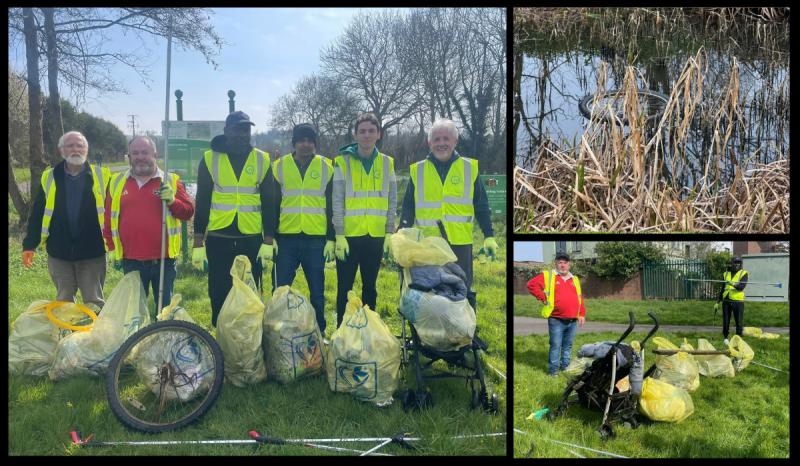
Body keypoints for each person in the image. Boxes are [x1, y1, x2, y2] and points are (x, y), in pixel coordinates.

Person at [399, 118, 497, 305]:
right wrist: (400, 234)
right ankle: (430, 333)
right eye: (436, 139)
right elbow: (408, 208)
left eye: (446, 138)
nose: (441, 143)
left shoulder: (469, 168)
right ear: (429, 143)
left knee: (461, 288)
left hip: (459, 243)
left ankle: (462, 331)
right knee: (429, 291)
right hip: (428, 244)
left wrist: (489, 235)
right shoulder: (418, 171)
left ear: (455, 141)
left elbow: (481, 206)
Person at [191, 111, 274, 327]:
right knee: (219, 290)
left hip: (251, 237)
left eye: (246, 130)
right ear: (227, 131)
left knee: (250, 291)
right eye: (237, 129)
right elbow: (202, 199)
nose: (242, 135)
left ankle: (248, 339)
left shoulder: (262, 159)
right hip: (220, 236)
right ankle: (221, 338)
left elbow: (270, 201)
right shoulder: (210, 159)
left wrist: (268, 240)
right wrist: (198, 241)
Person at [103, 135, 195, 316]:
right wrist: (111, 247)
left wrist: (172, 201)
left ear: (155, 154)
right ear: (129, 157)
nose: (140, 157)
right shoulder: (116, 182)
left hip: (163, 260)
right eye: (135, 153)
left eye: (144, 152)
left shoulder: (170, 180)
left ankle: (164, 340)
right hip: (131, 260)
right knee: (135, 312)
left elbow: (188, 212)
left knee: (164, 310)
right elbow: (109, 218)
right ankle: (138, 343)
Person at [22, 131, 111, 310]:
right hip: (59, 252)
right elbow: (38, 213)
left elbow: (116, 212)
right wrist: (29, 244)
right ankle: (68, 337)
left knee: (94, 303)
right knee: (63, 302)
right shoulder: (50, 177)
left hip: (92, 251)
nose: (75, 149)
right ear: (61, 150)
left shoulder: (103, 176)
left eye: (80, 145)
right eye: (70, 145)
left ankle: (94, 337)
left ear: (86, 150)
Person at [266, 123, 334, 334]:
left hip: (315, 239)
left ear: (315, 143)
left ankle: (319, 332)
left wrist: (331, 238)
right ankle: (276, 332)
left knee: (317, 291)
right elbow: (271, 203)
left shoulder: (327, 167)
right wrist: (270, 236)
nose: (306, 145)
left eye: (310, 141)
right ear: (294, 143)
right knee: (280, 288)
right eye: (301, 140)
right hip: (286, 238)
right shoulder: (279, 166)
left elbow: (332, 204)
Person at [332, 113, 397, 328]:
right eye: (362, 131)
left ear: (378, 134)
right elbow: (337, 200)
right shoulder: (343, 162)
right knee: (344, 288)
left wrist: (389, 232)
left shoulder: (388, 163)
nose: (367, 135)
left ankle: (370, 331)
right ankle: (342, 331)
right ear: (355, 134)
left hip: (375, 237)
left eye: (371, 131)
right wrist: (338, 234)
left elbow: (392, 200)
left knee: (370, 287)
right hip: (349, 238)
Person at [527, 252, 586, 376]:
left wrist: (581, 314)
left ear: (569, 264)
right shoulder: (548, 276)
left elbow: (580, 297)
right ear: (556, 264)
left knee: (568, 346)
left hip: (572, 320)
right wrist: (543, 297)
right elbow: (531, 285)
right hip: (556, 319)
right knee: (556, 346)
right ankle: (553, 372)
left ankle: (565, 368)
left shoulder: (574, 279)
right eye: (560, 262)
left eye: (565, 263)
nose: (563, 265)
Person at [716, 256, 748, 346]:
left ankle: (738, 339)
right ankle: (725, 337)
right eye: (735, 262)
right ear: (732, 263)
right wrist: (718, 301)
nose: (737, 264)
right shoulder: (726, 274)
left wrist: (733, 284)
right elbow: (723, 288)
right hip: (726, 300)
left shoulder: (743, 273)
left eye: (739, 263)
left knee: (739, 321)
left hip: (738, 301)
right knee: (726, 321)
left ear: (741, 264)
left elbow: (741, 287)